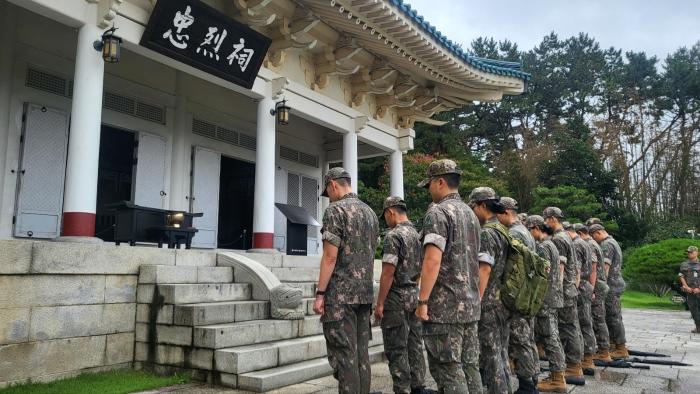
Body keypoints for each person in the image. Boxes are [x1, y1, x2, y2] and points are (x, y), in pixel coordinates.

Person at [415, 159, 483, 394]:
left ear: (440, 181)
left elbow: (432, 259)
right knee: (470, 366)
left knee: (448, 369)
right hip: (470, 305)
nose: (429, 191)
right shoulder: (471, 214)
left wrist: (422, 301)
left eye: (430, 185)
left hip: (445, 308)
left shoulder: (438, 212)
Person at [314, 167, 379, 394]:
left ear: (333, 185)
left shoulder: (335, 211)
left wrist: (320, 293)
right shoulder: (370, 213)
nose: (328, 196)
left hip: (341, 296)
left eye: (328, 191)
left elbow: (330, 256)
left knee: (344, 355)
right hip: (364, 294)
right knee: (361, 354)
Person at [375, 196, 428, 394]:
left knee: (397, 348)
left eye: (385, 216)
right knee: (414, 344)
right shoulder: (417, 235)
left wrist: (380, 303)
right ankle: (418, 386)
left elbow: (388, 272)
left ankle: (402, 388)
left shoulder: (394, 236)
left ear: (391, 212)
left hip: (396, 299)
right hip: (414, 295)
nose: (386, 221)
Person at [470, 187, 515, 394]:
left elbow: (485, 269)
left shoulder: (487, 233)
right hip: (502, 300)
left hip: (488, 302)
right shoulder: (502, 230)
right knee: (501, 352)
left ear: (482, 205)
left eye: (473, 206)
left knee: (491, 354)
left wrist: (476, 301)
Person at [497, 197, 540, 392]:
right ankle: (532, 377)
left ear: (506, 212)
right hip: (527, 290)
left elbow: (511, 266)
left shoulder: (514, 233)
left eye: (498, 213)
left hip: (518, 292)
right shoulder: (525, 231)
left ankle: (526, 384)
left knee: (520, 338)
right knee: (527, 337)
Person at [542, 207, 584, 381]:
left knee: (567, 328)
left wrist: (556, 289)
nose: (545, 223)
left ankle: (573, 366)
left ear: (552, 219)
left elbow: (559, 268)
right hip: (570, 288)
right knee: (571, 327)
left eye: (545, 220)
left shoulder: (559, 239)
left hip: (564, 290)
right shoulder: (566, 236)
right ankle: (575, 365)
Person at [526, 215, 567, 393]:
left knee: (550, 337)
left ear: (536, 228)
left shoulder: (543, 247)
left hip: (546, 298)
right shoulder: (551, 244)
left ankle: (558, 378)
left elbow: (541, 275)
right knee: (553, 336)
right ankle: (558, 374)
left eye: (530, 230)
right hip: (553, 296)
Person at [589, 223, 629, 359]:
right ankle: (614, 344)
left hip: (611, 285)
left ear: (598, 233)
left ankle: (620, 347)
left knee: (613, 317)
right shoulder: (613, 242)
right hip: (614, 284)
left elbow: (604, 269)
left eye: (593, 236)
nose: (593, 239)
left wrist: (600, 287)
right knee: (613, 316)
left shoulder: (607, 245)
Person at [566, 223, 597, 375]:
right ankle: (587, 358)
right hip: (586, 286)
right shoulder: (584, 243)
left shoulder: (576, 244)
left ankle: (585, 359)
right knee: (585, 323)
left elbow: (577, 270)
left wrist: (574, 289)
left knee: (581, 324)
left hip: (581, 286)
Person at [580, 222, 612, 362]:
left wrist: (592, 289)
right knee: (597, 319)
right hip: (599, 284)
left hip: (597, 285)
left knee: (597, 320)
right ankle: (602, 349)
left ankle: (604, 351)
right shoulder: (594, 244)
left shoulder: (591, 245)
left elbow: (595, 268)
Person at [678, 246, 700, 333]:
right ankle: (698, 327)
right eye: (688, 252)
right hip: (690, 291)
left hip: (699, 290)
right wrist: (686, 287)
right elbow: (681, 276)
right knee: (693, 310)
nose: (689, 253)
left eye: (691, 252)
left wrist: (699, 288)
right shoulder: (684, 264)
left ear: (696, 253)